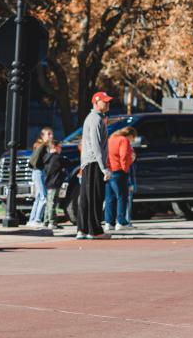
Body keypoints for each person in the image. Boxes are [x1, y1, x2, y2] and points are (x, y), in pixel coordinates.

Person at [75, 91, 113, 240]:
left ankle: (82, 229)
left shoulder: (93, 118)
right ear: (96, 102)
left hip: (88, 162)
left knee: (86, 197)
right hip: (94, 162)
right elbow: (97, 146)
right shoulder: (96, 120)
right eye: (105, 101)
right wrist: (104, 167)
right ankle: (95, 230)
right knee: (95, 197)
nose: (108, 103)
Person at [104, 126, 136, 232]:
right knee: (122, 197)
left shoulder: (110, 139)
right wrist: (127, 167)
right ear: (130, 135)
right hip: (119, 171)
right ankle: (121, 222)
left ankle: (109, 222)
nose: (132, 141)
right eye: (133, 138)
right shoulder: (124, 140)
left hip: (109, 170)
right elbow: (124, 156)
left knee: (110, 198)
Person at [26, 127, 55, 229]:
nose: (51, 136)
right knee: (44, 197)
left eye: (51, 134)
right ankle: (37, 219)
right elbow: (36, 160)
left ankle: (32, 220)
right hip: (38, 172)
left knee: (38, 197)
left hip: (38, 172)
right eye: (49, 134)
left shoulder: (42, 146)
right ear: (42, 136)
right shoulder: (42, 146)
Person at [42, 140, 66, 232]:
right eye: (60, 147)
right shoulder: (56, 158)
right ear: (55, 147)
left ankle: (46, 221)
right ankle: (52, 222)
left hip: (48, 183)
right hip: (55, 183)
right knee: (52, 203)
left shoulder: (46, 157)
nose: (61, 149)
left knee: (49, 203)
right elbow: (64, 164)